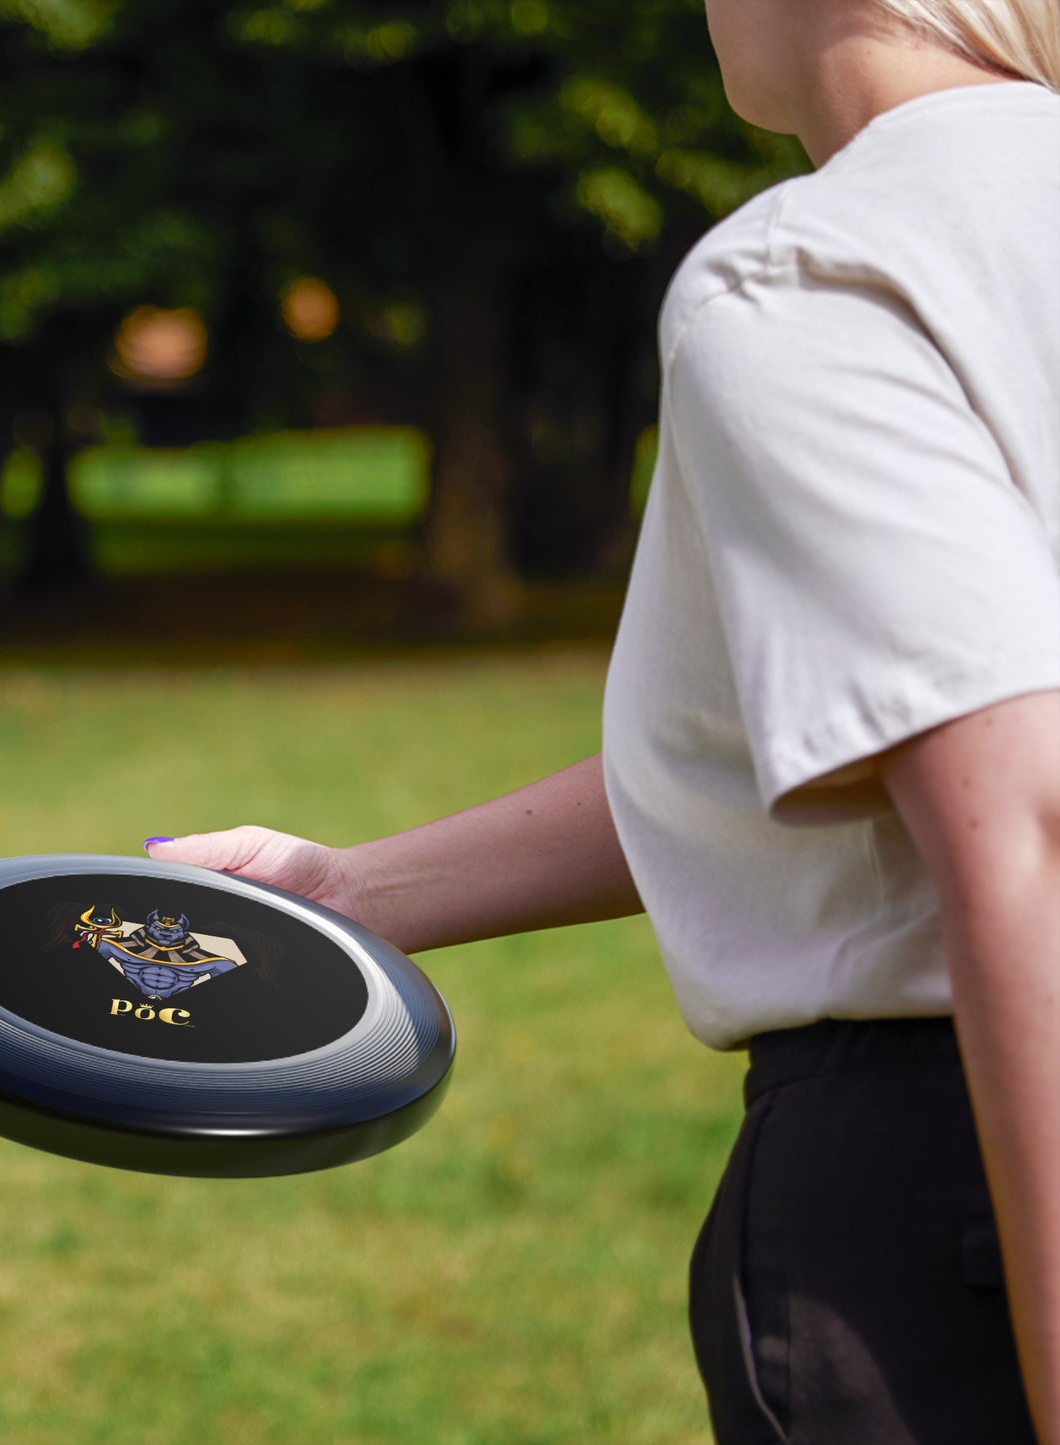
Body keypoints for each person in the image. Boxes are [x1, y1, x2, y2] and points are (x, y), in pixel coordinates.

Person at [143, 2, 1060, 1440]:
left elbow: (1024, 821)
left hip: (957, 1189)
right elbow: (837, 739)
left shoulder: (819, 270)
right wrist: (353, 890)